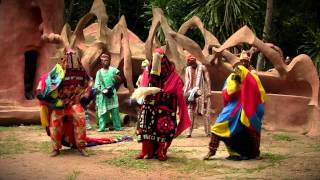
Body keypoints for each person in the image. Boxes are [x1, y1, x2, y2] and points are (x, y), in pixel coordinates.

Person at [204, 50, 266, 161]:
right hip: (233, 107)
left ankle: (255, 153)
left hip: (249, 106)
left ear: (248, 62)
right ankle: (212, 150)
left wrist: (246, 82)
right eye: (241, 61)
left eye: (245, 61)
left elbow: (259, 92)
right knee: (218, 125)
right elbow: (226, 92)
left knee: (251, 129)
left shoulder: (253, 75)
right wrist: (237, 84)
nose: (243, 63)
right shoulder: (232, 76)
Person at [134, 47, 191, 161]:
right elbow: (144, 84)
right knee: (146, 128)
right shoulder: (148, 69)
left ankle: (160, 151)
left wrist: (164, 92)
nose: (156, 60)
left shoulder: (171, 73)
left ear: (164, 59)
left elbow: (178, 88)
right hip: (149, 105)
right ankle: (146, 151)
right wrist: (148, 91)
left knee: (162, 129)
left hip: (165, 106)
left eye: (159, 57)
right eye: (155, 57)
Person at [36, 48, 90, 157]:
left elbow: (88, 83)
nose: (71, 58)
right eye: (69, 55)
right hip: (60, 104)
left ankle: (81, 147)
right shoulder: (59, 70)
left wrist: (83, 94)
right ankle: (56, 148)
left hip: (74, 102)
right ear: (65, 57)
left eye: (74, 55)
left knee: (81, 120)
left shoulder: (81, 71)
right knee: (55, 123)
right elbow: (49, 83)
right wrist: (52, 100)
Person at [184, 54, 212, 137]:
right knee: (190, 112)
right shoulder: (187, 69)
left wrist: (209, 91)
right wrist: (185, 93)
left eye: (193, 62)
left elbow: (207, 79)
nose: (192, 64)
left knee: (205, 113)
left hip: (202, 93)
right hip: (190, 94)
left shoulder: (202, 67)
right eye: (190, 63)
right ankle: (189, 133)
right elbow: (187, 82)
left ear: (195, 61)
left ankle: (208, 132)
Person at [94, 51, 122, 132]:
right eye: (103, 60)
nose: (105, 61)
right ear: (101, 62)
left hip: (112, 93)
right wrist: (101, 91)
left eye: (107, 59)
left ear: (109, 60)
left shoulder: (114, 70)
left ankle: (117, 127)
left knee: (115, 111)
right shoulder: (99, 73)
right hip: (103, 95)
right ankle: (102, 127)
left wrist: (117, 78)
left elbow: (120, 80)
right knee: (102, 112)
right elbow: (97, 85)